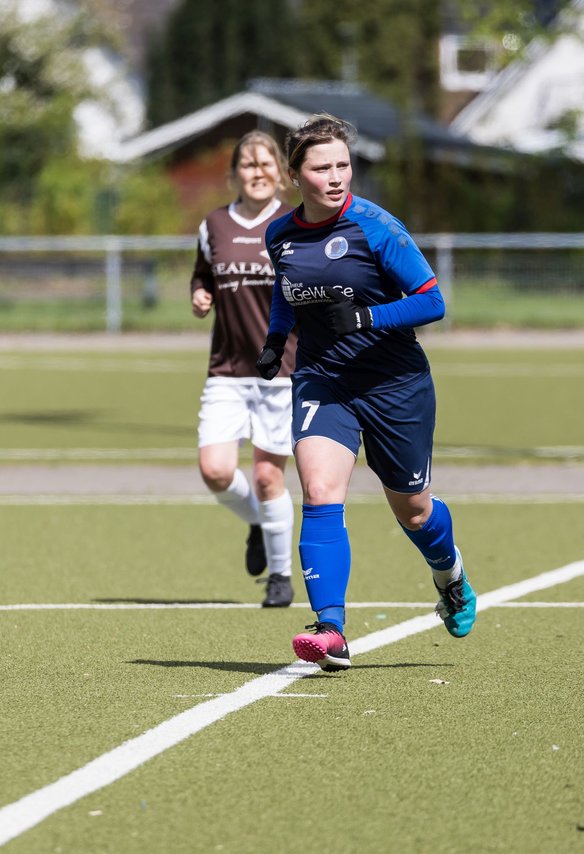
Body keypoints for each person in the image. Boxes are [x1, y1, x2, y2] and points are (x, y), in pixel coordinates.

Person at [256, 114, 476, 671]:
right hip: (322, 379)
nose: (335, 177)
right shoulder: (279, 234)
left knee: (416, 512)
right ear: (293, 174)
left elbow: (432, 301)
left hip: (394, 384)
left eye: (343, 165)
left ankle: (450, 576)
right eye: (321, 167)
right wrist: (275, 338)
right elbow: (288, 292)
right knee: (320, 491)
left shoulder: (376, 227)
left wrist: (369, 316)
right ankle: (330, 630)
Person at [190, 130, 298, 608]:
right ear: (234, 175)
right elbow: (203, 272)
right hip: (227, 371)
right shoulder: (213, 224)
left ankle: (280, 576)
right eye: (248, 165)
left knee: (268, 477)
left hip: (283, 371)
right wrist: (200, 293)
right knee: (214, 470)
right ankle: (257, 520)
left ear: (282, 174)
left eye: (266, 164)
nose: (258, 172)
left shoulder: (295, 224)